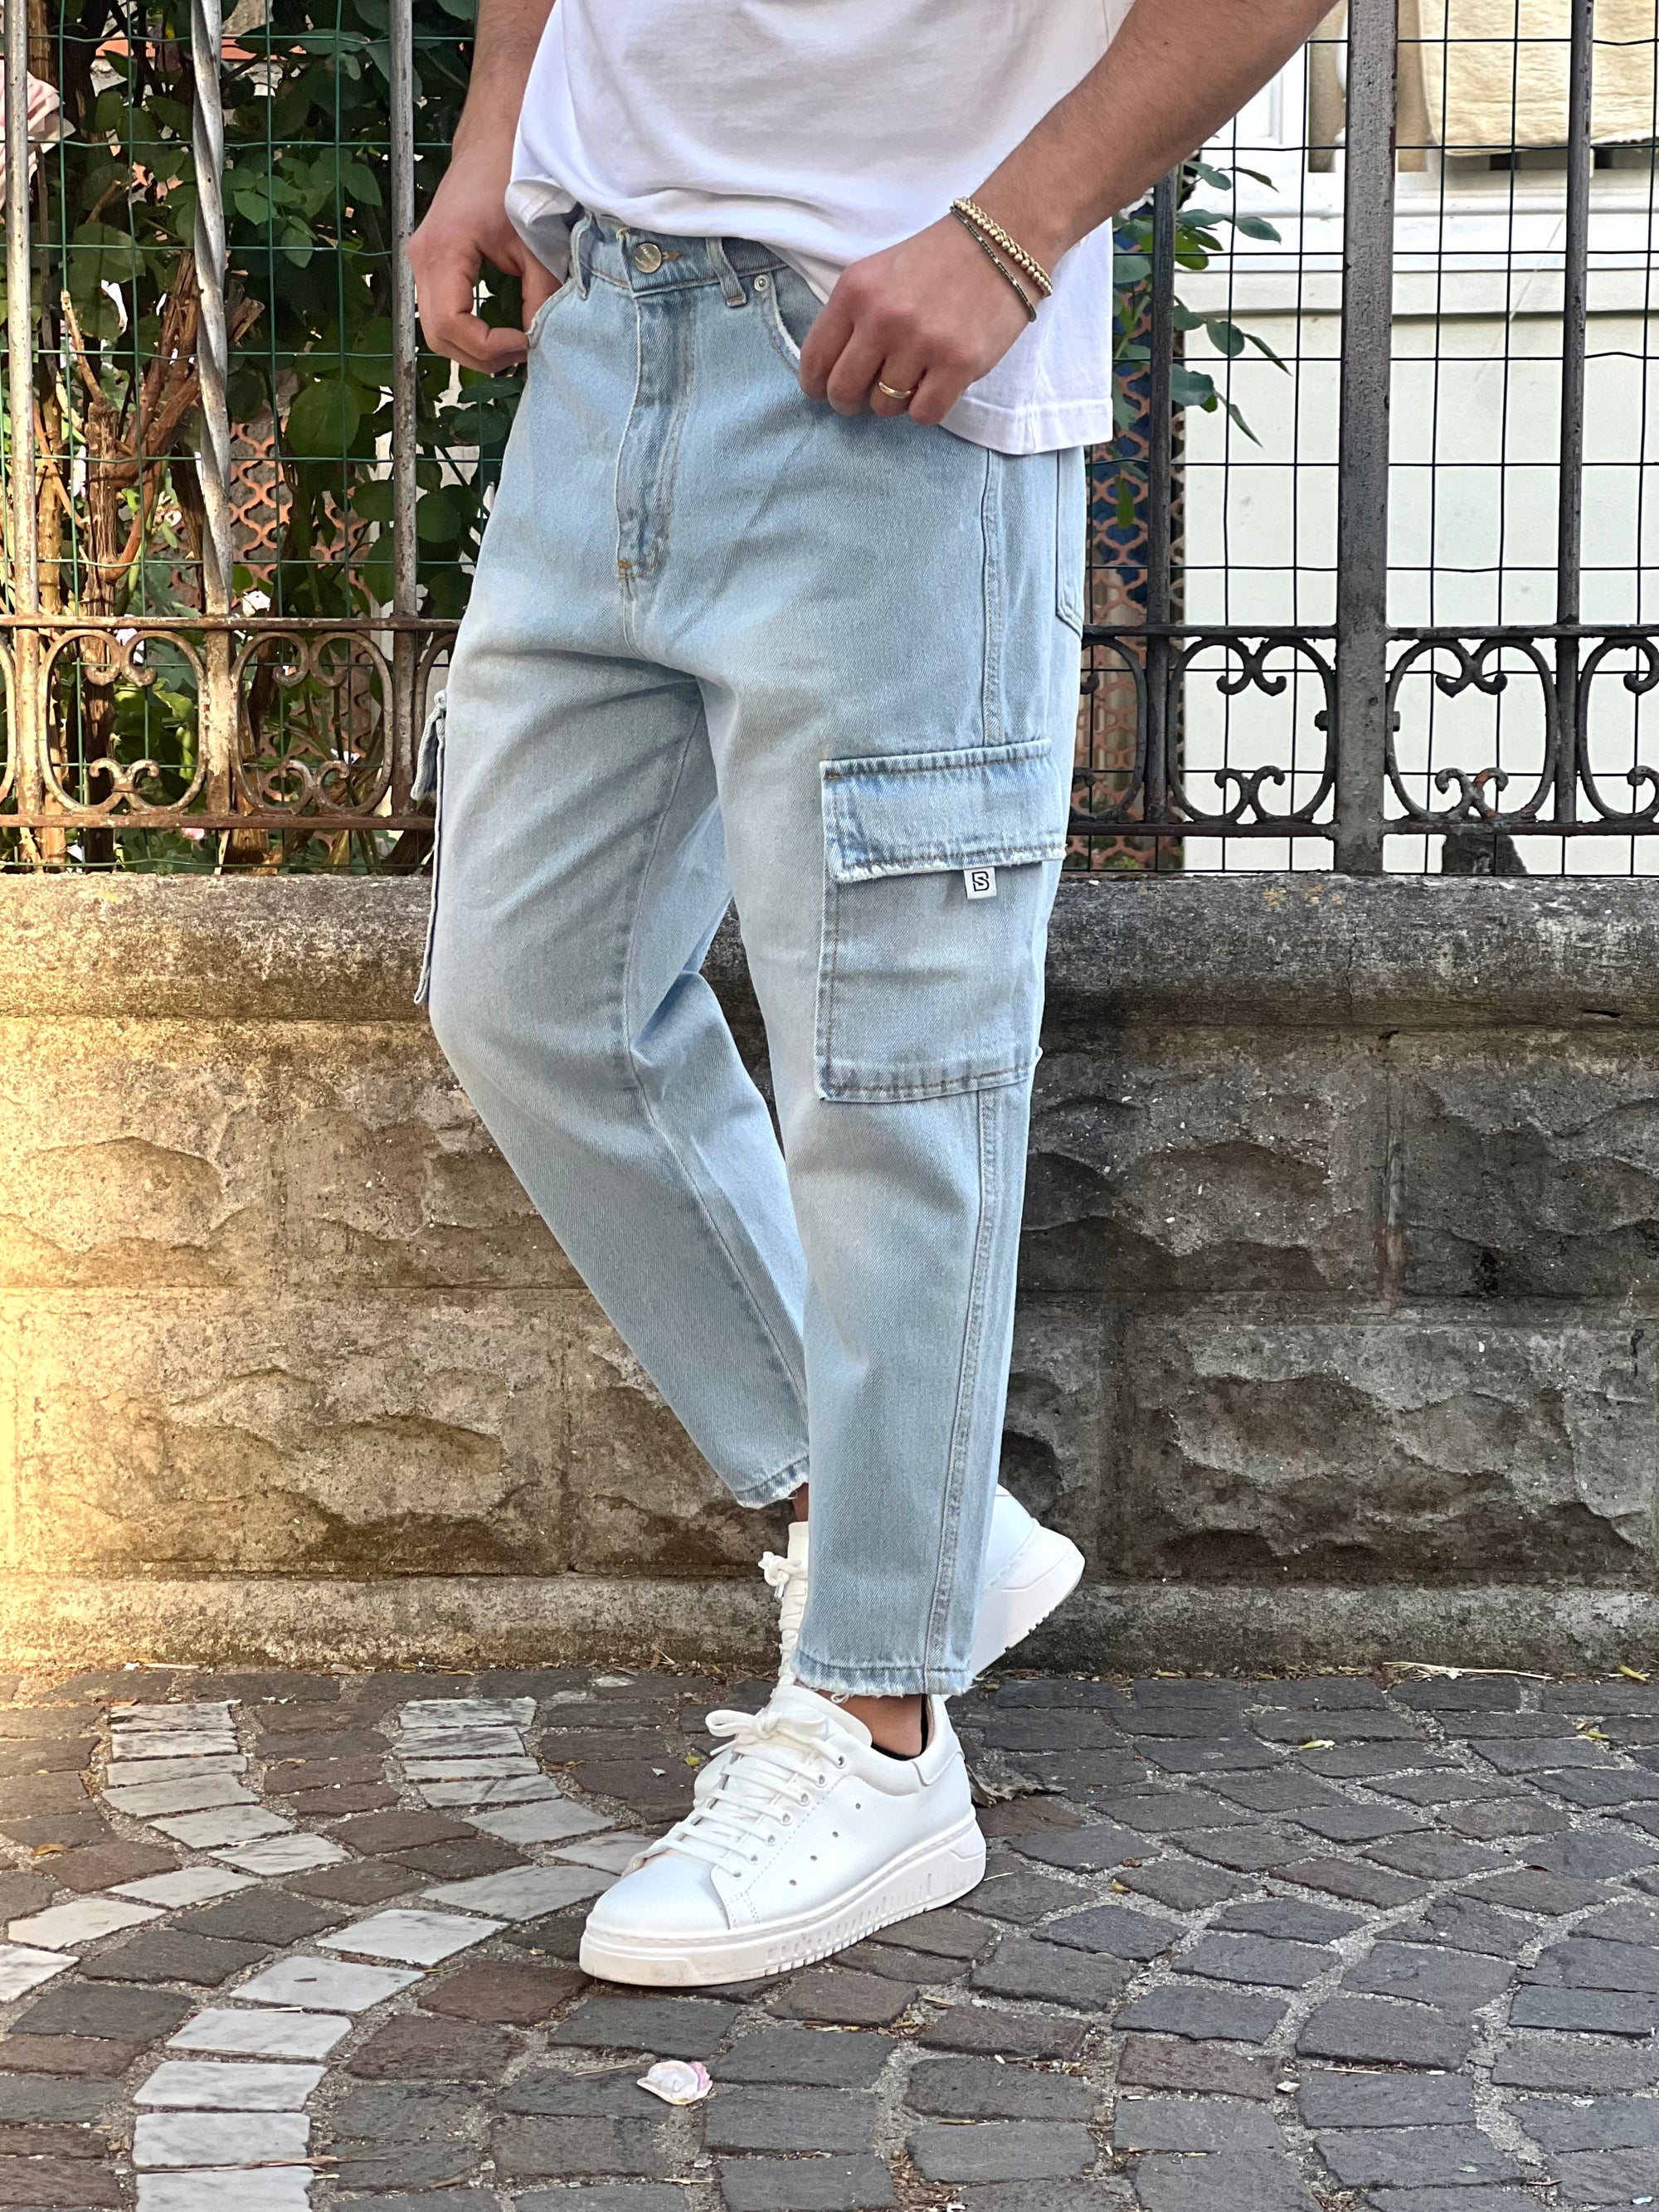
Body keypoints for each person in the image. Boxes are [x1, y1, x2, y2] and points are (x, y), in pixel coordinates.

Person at [409, 0, 1329, 1987]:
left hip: (893, 355)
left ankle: (881, 1725)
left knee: (892, 1078)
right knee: (528, 990)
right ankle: (906, 1523)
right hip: (608, 326)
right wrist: (498, 125)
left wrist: (1014, 230)